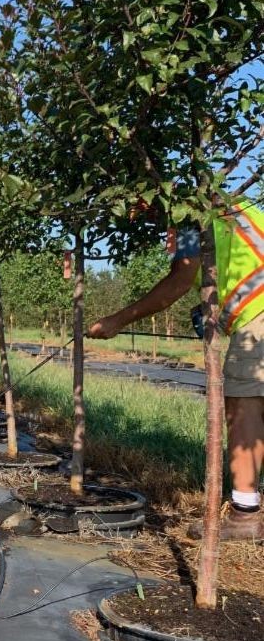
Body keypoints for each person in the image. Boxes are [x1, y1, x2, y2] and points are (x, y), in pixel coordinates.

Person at [88, 200, 264, 541]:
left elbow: (179, 279)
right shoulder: (227, 206)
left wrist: (117, 320)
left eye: (136, 208)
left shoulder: (189, 211)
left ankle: (245, 514)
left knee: (244, 406)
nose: (140, 218)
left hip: (259, 314)